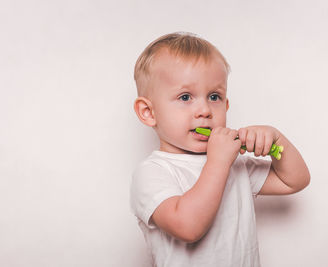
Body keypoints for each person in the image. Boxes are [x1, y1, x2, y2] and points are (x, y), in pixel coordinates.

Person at [130, 32, 310, 267]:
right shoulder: (152, 173)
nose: (204, 109)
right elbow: (188, 227)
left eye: (214, 96)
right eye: (185, 97)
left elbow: (295, 181)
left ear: (226, 105)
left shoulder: (235, 164)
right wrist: (218, 162)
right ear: (149, 112)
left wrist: (277, 139)